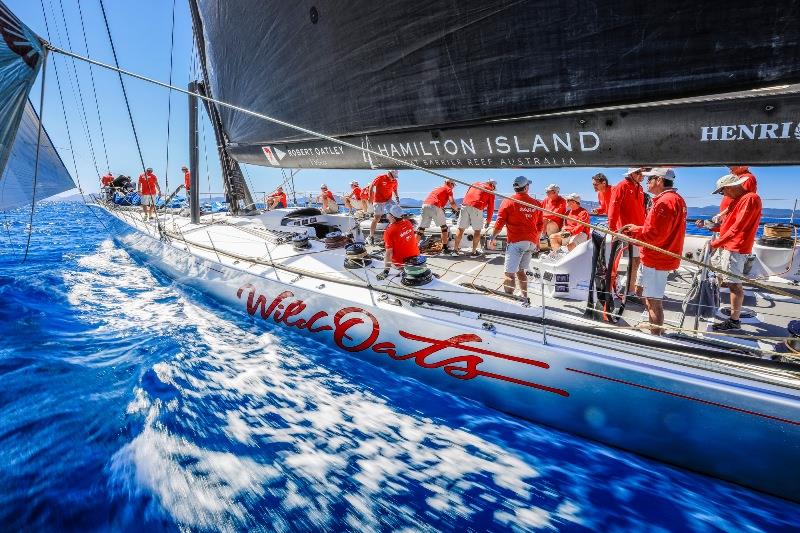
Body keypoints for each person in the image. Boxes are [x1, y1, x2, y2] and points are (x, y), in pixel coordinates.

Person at [620, 168, 687, 335]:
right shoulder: (675, 199)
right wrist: (638, 228)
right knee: (640, 291)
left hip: (657, 259)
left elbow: (655, 236)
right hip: (653, 256)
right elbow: (658, 230)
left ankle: (657, 337)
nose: (646, 182)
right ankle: (653, 326)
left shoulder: (665, 202)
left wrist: (633, 232)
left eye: (649, 179)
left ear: (659, 180)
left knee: (654, 301)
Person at [703, 173, 762, 331]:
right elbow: (728, 226)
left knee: (735, 285)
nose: (724, 195)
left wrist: (716, 243)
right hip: (730, 246)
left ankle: (734, 321)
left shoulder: (749, 198)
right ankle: (733, 317)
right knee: (730, 282)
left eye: (722, 192)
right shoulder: (739, 200)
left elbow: (738, 228)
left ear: (730, 187)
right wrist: (711, 227)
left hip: (735, 247)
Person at [489, 176, 542, 306]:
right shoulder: (536, 204)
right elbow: (540, 226)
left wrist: (492, 238)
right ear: (526, 187)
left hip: (517, 242)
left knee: (509, 274)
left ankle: (508, 302)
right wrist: (537, 242)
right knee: (521, 272)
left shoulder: (508, 202)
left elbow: (500, 222)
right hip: (531, 243)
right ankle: (524, 298)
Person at [607, 167, 647, 294]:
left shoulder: (640, 188)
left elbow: (641, 209)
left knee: (637, 260)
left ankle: (630, 288)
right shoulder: (621, 186)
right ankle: (627, 290)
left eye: (643, 173)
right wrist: (612, 229)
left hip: (639, 231)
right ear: (631, 173)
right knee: (630, 260)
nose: (642, 175)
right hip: (626, 231)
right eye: (638, 173)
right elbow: (613, 207)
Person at [452, 178, 496, 256]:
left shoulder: (475, 183)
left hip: (465, 204)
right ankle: (474, 252)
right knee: (477, 230)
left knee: (460, 228)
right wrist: (488, 221)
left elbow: (467, 194)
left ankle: (455, 250)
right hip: (477, 207)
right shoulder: (490, 190)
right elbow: (491, 208)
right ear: (492, 185)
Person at [377, 205, 420, 280]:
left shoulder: (389, 232)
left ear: (392, 217)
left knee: (385, 255)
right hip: (416, 257)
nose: (386, 215)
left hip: (401, 264)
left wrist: (386, 271)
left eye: (387, 213)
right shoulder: (408, 223)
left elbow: (389, 253)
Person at [417, 178, 458, 250]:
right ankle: (445, 248)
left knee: (421, 229)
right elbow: (452, 202)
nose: (453, 187)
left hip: (425, 205)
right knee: (444, 227)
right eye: (453, 185)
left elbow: (435, 198)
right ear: (451, 184)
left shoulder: (437, 188)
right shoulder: (448, 189)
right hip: (435, 206)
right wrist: (457, 210)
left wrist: (441, 207)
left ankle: (413, 247)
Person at [368, 170, 400, 244]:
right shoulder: (380, 177)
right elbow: (371, 186)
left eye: (395, 177)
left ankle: (393, 234)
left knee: (396, 215)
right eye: (393, 176)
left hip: (388, 200)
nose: (393, 178)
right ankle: (371, 236)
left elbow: (395, 190)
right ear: (389, 173)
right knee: (377, 218)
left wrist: (397, 197)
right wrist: (370, 197)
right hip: (378, 201)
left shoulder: (394, 181)